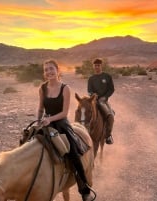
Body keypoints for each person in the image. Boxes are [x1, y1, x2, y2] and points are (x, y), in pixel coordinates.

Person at [38, 59, 93, 201]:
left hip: (61, 124)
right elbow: (40, 108)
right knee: (26, 141)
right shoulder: (42, 88)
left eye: (51, 69)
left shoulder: (65, 88)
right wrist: (38, 121)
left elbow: (64, 113)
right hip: (45, 123)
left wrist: (50, 119)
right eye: (46, 70)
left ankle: (84, 189)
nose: (49, 72)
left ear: (57, 70)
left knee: (73, 152)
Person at [87, 58, 115, 144]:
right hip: (94, 100)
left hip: (103, 100)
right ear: (93, 66)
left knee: (110, 115)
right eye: (95, 65)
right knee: (84, 113)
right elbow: (89, 90)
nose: (97, 67)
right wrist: (93, 95)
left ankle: (108, 135)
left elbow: (111, 89)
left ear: (101, 66)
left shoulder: (107, 76)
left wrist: (105, 97)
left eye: (98, 65)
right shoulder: (91, 78)